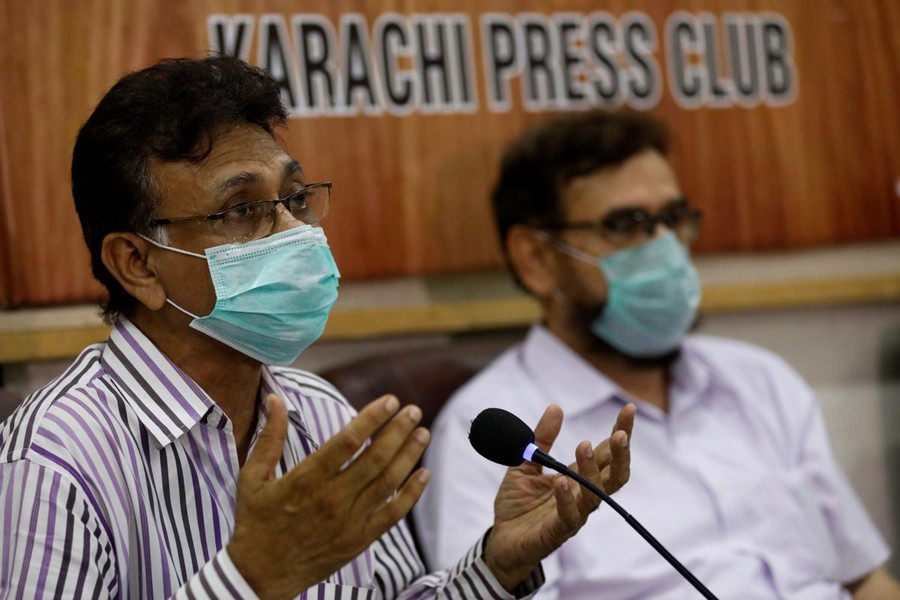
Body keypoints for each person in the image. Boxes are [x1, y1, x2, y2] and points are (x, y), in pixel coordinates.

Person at [0, 57, 634, 599]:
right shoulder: (54, 464)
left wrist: (499, 563)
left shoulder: (321, 414)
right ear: (136, 263)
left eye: (295, 198)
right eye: (244, 209)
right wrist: (251, 579)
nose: (294, 232)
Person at [415, 109, 900, 599]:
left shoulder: (760, 380)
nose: (664, 247)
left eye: (672, 219)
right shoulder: (496, 436)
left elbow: (866, 581)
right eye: (627, 224)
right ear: (536, 258)